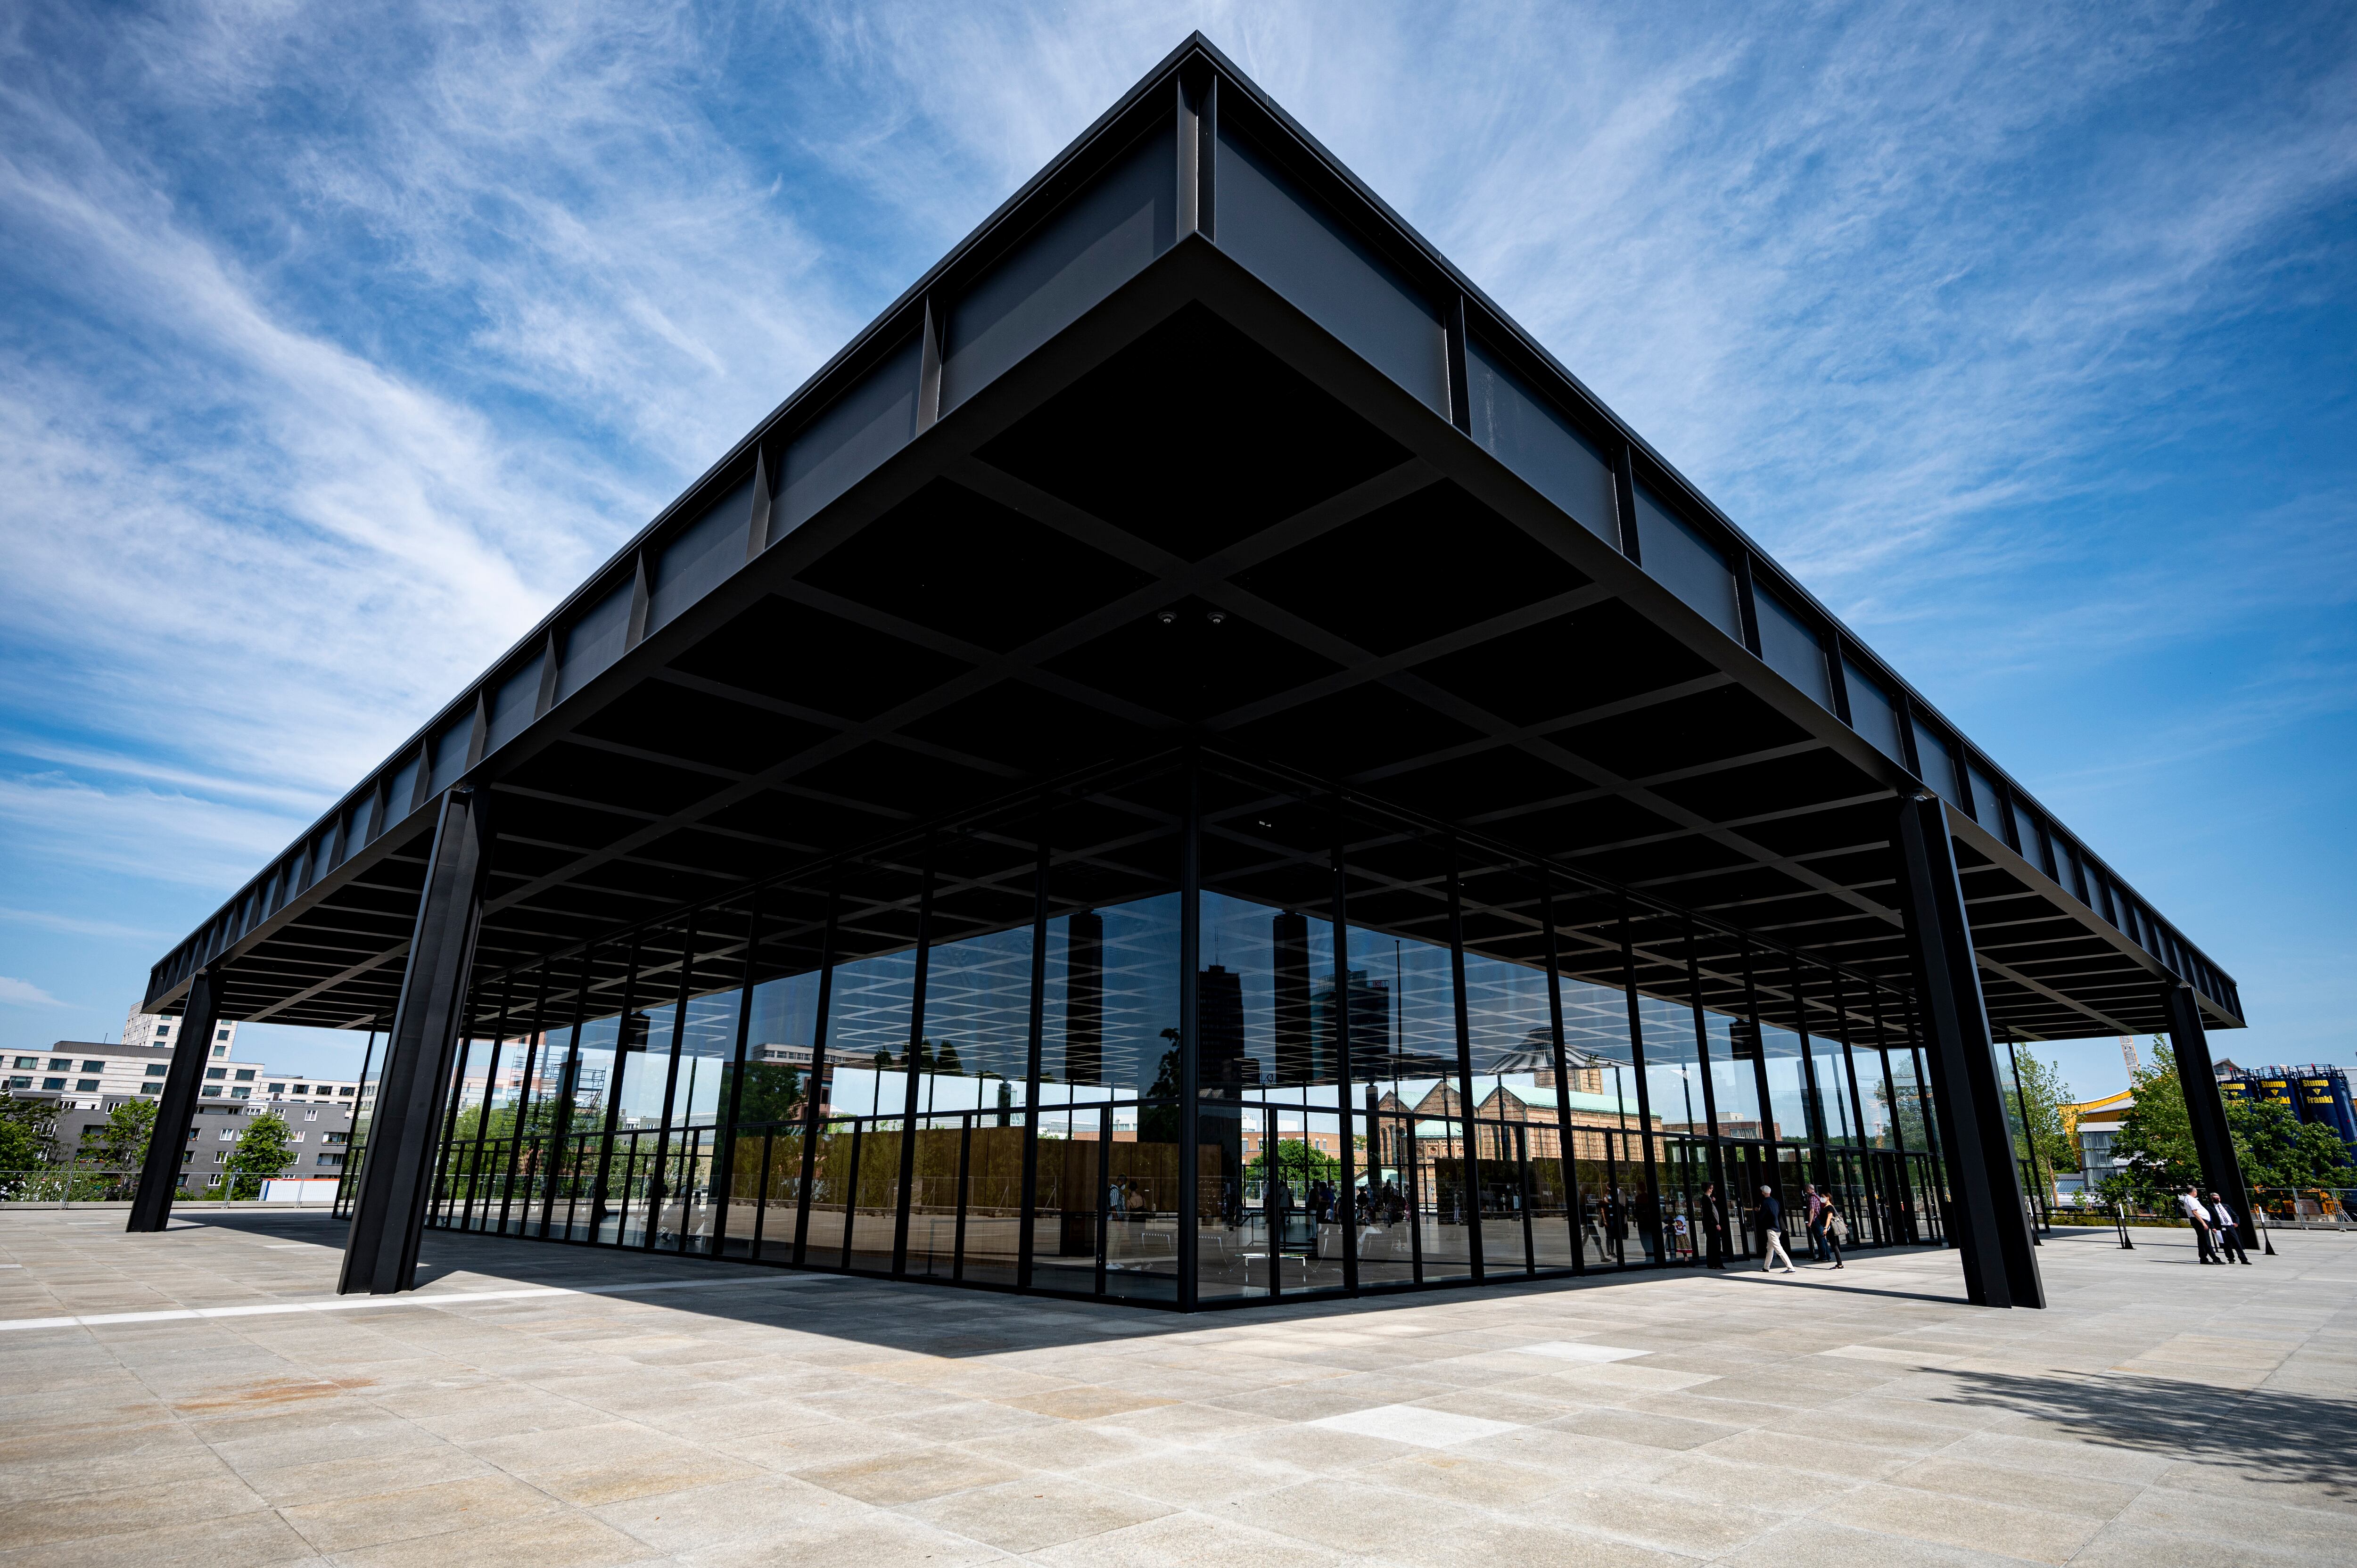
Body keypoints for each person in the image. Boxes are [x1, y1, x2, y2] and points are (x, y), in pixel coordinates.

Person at [1756, 1184, 1797, 1273]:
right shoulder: (1775, 1201)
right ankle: (1766, 1267)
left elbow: (1761, 1216)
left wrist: (1759, 1211)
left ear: (1763, 1193)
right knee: (1770, 1248)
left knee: (1778, 1249)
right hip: (1778, 1228)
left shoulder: (1765, 1203)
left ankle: (1791, 1268)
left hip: (1771, 1229)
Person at [2177, 1186, 2219, 1263]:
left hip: (2199, 1221)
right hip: (2199, 1221)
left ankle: (2203, 1258)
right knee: (2206, 1241)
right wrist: (2203, 1223)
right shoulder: (2190, 1199)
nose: (2197, 1193)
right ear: (2193, 1192)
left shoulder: (2190, 1199)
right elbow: (2195, 1212)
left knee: (2202, 1240)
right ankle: (2215, 1258)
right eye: (2196, 1191)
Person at [2209, 1192, 2251, 1264]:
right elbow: (2210, 1219)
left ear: (2220, 1199)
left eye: (2217, 1198)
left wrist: (2236, 1223)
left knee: (2237, 1243)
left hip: (2230, 1227)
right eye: (2214, 1198)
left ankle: (2243, 1259)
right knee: (2226, 1244)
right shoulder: (2210, 1208)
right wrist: (2213, 1227)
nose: (2216, 1199)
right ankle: (2231, 1259)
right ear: (2212, 1199)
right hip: (2221, 1228)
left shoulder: (2226, 1206)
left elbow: (2235, 1215)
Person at [1700, 1183, 1727, 1269]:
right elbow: (1709, 1213)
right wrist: (1716, 1223)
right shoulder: (1706, 1199)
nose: (1712, 1190)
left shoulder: (1708, 1199)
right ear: (1708, 1189)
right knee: (1715, 1244)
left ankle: (1713, 1263)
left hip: (1710, 1224)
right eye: (1711, 1188)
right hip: (1711, 1225)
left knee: (1713, 1244)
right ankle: (1716, 1263)